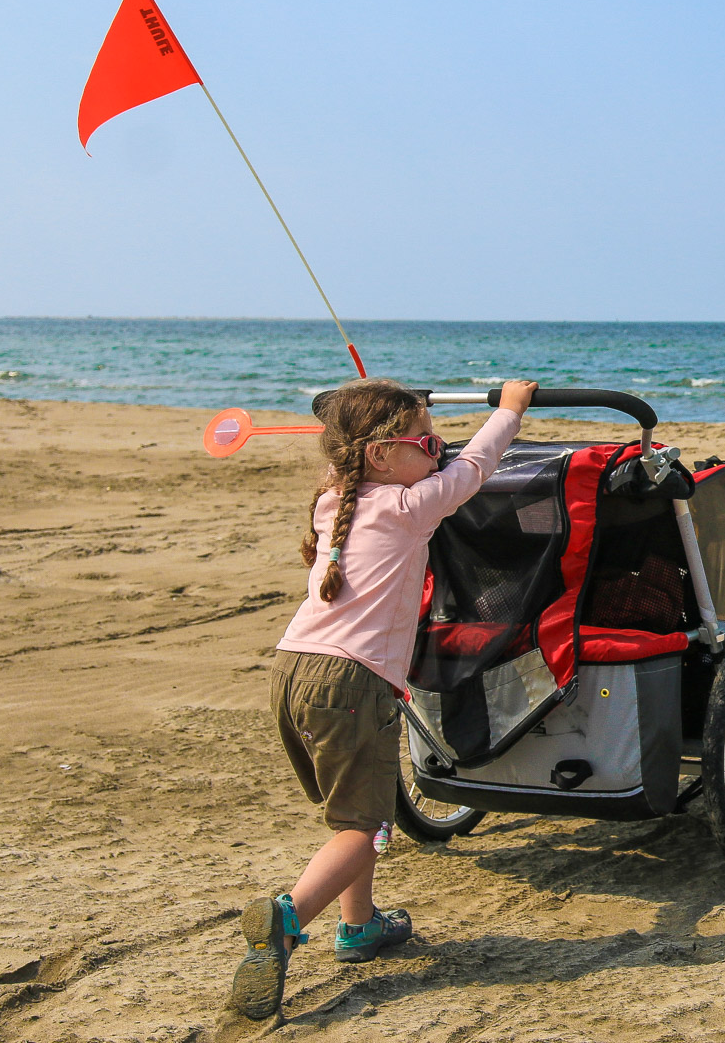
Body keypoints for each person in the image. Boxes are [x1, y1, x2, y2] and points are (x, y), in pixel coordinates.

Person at [228, 376, 537, 1021]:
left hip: (292, 672)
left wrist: (411, 432)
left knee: (356, 810)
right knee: (363, 827)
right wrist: (509, 412)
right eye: (425, 439)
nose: (439, 446)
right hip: (352, 683)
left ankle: (360, 925)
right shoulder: (407, 507)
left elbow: (433, 460)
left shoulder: (334, 500)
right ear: (379, 455)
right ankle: (285, 922)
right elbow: (474, 468)